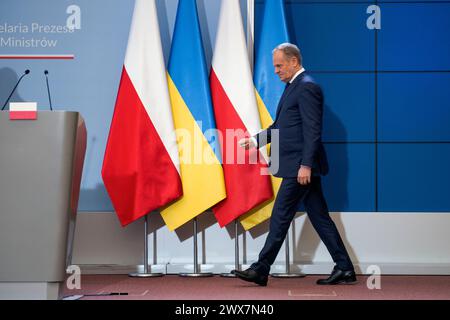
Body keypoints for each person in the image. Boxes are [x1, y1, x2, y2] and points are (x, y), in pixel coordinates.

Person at [234, 43, 356, 286]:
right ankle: (344, 268)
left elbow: (313, 130)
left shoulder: (308, 86)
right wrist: (256, 141)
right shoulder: (294, 87)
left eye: (279, 65)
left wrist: (306, 165)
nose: (276, 71)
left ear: (294, 62)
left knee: (280, 215)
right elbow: (280, 127)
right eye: (275, 66)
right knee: (320, 217)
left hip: (299, 168)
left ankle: (261, 268)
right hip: (296, 165)